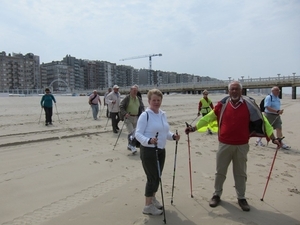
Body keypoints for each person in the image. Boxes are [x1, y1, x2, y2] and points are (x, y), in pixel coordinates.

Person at [185, 81, 281, 212]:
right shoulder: (222, 105)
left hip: (241, 145)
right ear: (228, 91)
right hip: (224, 144)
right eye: (232, 89)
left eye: (237, 89)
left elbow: (264, 122)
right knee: (220, 172)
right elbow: (208, 117)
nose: (234, 91)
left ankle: (241, 198)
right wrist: (194, 127)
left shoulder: (250, 106)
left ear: (241, 91)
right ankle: (216, 195)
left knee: (240, 173)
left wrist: (274, 138)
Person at [135, 89, 180, 216]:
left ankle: (153, 198)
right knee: (152, 177)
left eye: (158, 100)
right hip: (148, 150)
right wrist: (148, 140)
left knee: (158, 176)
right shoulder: (145, 115)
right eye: (153, 100)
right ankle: (147, 206)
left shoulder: (162, 114)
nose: (156, 102)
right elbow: (137, 134)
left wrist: (173, 136)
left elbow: (165, 132)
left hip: (161, 150)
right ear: (149, 101)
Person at [120, 85, 145, 154]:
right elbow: (121, 106)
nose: (135, 92)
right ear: (130, 91)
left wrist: (143, 114)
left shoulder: (138, 98)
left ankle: (130, 145)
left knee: (135, 133)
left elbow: (142, 107)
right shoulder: (127, 98)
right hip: (128, 117)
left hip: (136, 117)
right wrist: (125, 113)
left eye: (136, 91)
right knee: (131, 132)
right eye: (134, 90)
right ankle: (132, 146)